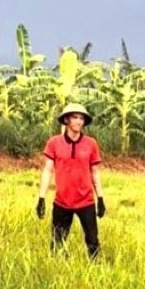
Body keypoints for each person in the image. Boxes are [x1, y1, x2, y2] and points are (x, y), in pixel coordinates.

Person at [36, 103, 106, 259]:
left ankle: (95, 269)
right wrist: (41, 198)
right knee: (57, 243)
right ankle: (57, 269)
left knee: (93, 242)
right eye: (75, 117)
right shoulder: (54, 143)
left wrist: (100, 198)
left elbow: (95, 172)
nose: (79, 121)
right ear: (67, 120)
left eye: (81, 118)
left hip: (86, 201)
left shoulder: (91, 144)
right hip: (62, 202)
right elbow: (48, 170)